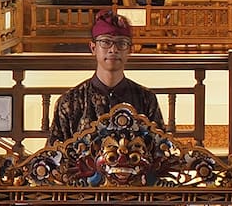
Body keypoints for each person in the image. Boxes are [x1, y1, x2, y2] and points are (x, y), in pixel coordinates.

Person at [47, 11, 166, 143]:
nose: (113, 49)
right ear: (93, 48)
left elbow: (161, 152)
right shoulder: (70, 101)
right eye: (105, 42)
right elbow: (54, 156)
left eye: (121, 43)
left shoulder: (146, 99)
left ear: (130, 50)